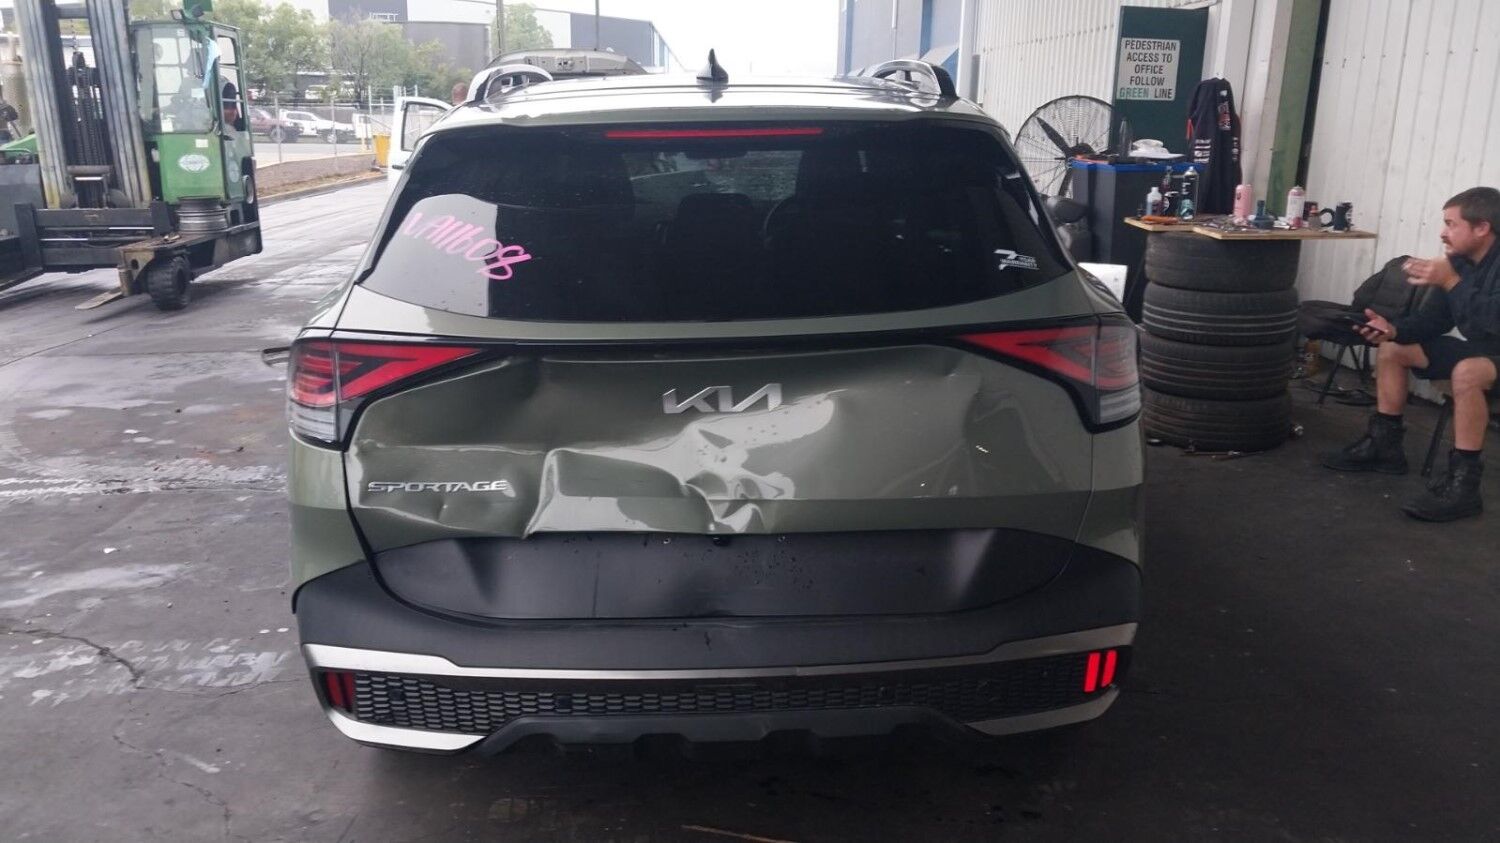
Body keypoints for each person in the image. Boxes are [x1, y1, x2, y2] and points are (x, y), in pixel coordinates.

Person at [1321, 186, 1500, 522]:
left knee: (1468, 371)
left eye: (1451, 224)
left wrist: (1451, 282)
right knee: (1393, 349)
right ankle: (1384, 447)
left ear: (1482, 227)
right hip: (1483, 353)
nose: (1443, 233)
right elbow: (1432, 321)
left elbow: (1494, 321)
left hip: (1488, 358)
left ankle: (1464, 487)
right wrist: (1392, 330)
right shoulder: (1458, 264)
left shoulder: (1458, 272)